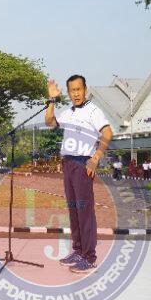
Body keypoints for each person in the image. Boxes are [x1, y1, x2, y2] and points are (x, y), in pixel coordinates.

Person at [46, 75, 112, 274]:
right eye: (72, 90)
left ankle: (89, 257)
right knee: (74, 211)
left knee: (85, 212)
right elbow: (49, 122)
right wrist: (51, 100)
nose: (76, 93)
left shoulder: (93, 111)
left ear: (85, 89)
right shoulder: (69, 113)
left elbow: (108, 133)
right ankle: (78, 251)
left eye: (79, 89)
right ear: (68, 92)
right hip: (68, 164)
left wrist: (96, 157)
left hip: (83, 163)